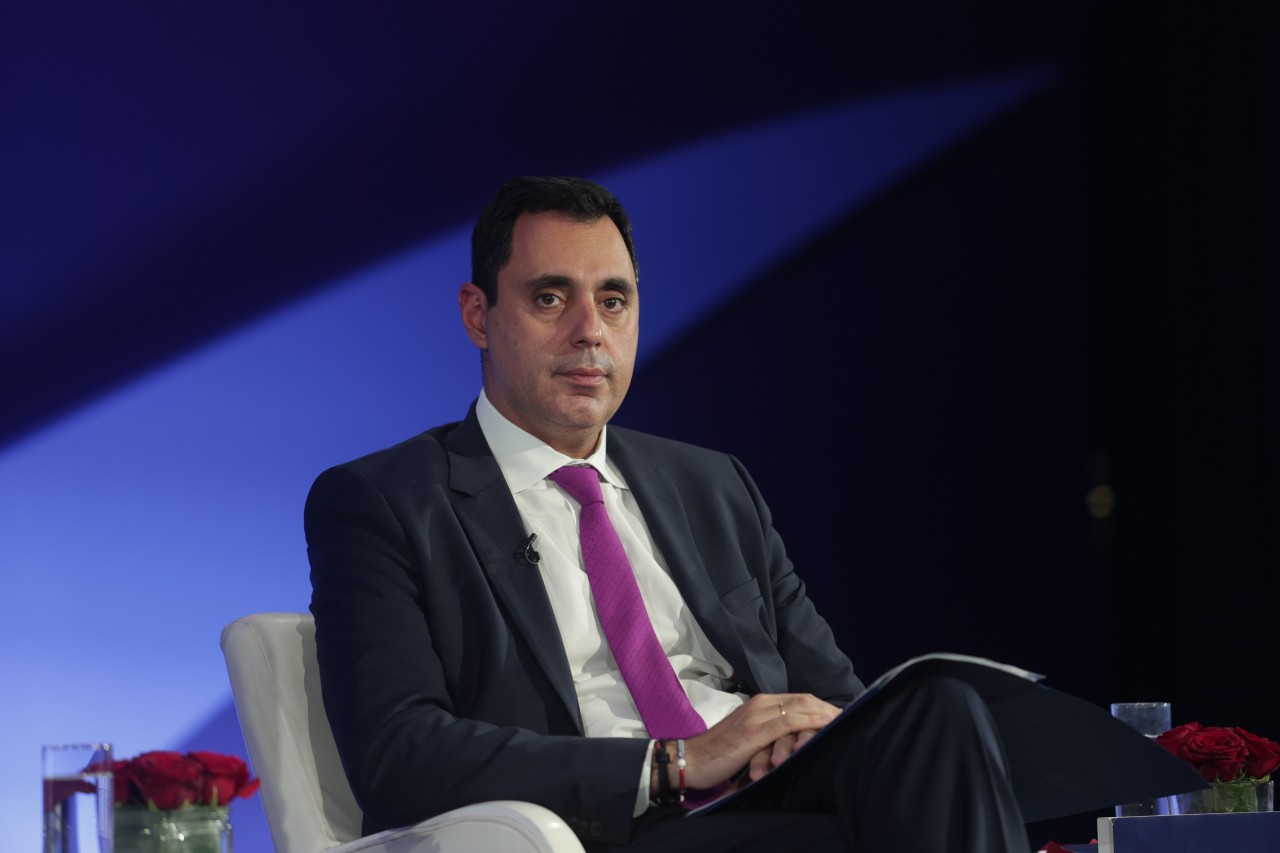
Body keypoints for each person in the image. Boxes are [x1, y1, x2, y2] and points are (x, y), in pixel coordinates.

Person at [306, 176, 1029, 852]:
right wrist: (673, 763)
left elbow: (836, 698)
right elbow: (399, 753)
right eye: (551, 298)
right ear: (478, 316)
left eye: (613, 300)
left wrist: (800, 734)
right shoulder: (386, 501)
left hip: (768, 789)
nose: (590, 331)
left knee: (937, 709)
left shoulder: (712, 483)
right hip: (611, 822)